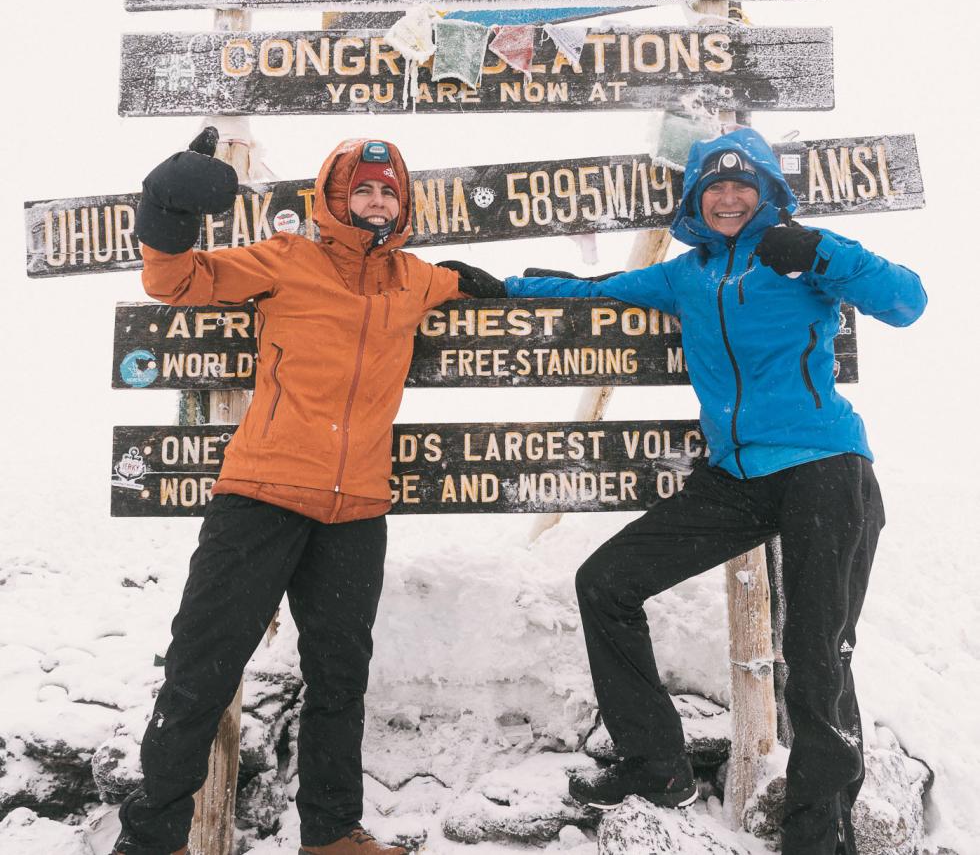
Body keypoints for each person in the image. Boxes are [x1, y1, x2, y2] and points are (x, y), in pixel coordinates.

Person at [447, 127, 927, 855]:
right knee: (605, 581)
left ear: (767, 192)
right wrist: (507, 286)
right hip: (736, 479)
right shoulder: (687, 274)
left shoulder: (800, 257)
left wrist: (822, 253)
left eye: (744, 185)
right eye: (716, 187)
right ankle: (656, 765)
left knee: (816, 648)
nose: (730, 197)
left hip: (824, 468)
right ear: (697, 200)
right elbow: (596, 290)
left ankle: (818, 835)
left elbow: (907, 302)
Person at [112, 129, 472, 855]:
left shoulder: (417, 279)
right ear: (335, 199)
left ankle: (333, 833)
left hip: (356, 512)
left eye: (387, 190)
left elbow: (502, 285)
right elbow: (174, 281)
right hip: (262, 495)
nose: (375, 200)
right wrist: (167, 209)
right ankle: (151, 839)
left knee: (340, 679)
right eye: (362, 189)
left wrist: (512, 282)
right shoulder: (288, 260)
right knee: (201, 669)